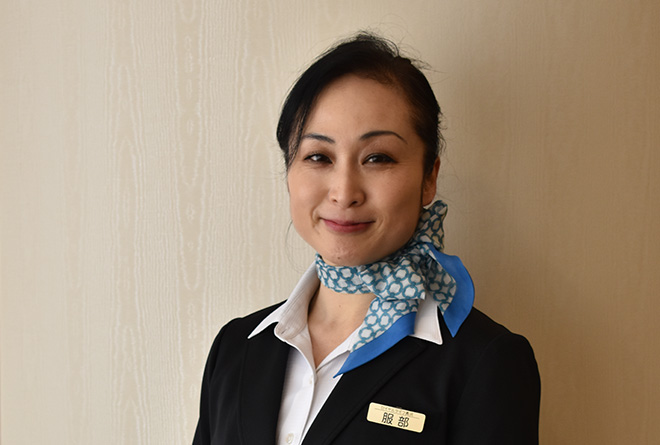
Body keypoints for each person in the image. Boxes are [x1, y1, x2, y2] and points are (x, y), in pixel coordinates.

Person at [193, 32, 540, 445]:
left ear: (429, 178)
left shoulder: (484, 361)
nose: (344, 192)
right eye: (318, 157)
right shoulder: (235, 348)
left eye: (378, 158)